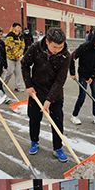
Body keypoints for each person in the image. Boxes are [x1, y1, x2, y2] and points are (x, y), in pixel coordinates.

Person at [22, 28, 70, 161]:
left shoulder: (65, 55)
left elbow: (60, 80)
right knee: (34, 119)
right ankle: (34, 141)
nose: (57, 50)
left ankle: (57, 148)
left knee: (57, 122)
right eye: (54, 47)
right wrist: (28, 85)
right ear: (47, 41)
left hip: (55, 95)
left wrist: (49, 100)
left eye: (60, 47)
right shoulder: (35, 48)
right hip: (36, 92)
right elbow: (25, 64)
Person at [69, 28, 95, 128]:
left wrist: (92, 76)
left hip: (93, 75)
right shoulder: (84, 47)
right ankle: (74, 115)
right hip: (83, 74)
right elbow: (72, 57)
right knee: (82, 96)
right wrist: (72, 72)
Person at [4, 22, 25, 92]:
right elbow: (13, 47)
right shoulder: (10, 36)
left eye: (20, 28)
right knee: (10, 71)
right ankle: (3, 84)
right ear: (14, 28)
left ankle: (17, 87)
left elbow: (23, 46)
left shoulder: (20, 37)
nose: (19, 29)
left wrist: (20, 54)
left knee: (18, 72)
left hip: (17, 58)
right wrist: (18, 55)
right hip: (10, 57)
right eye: (18, 27)